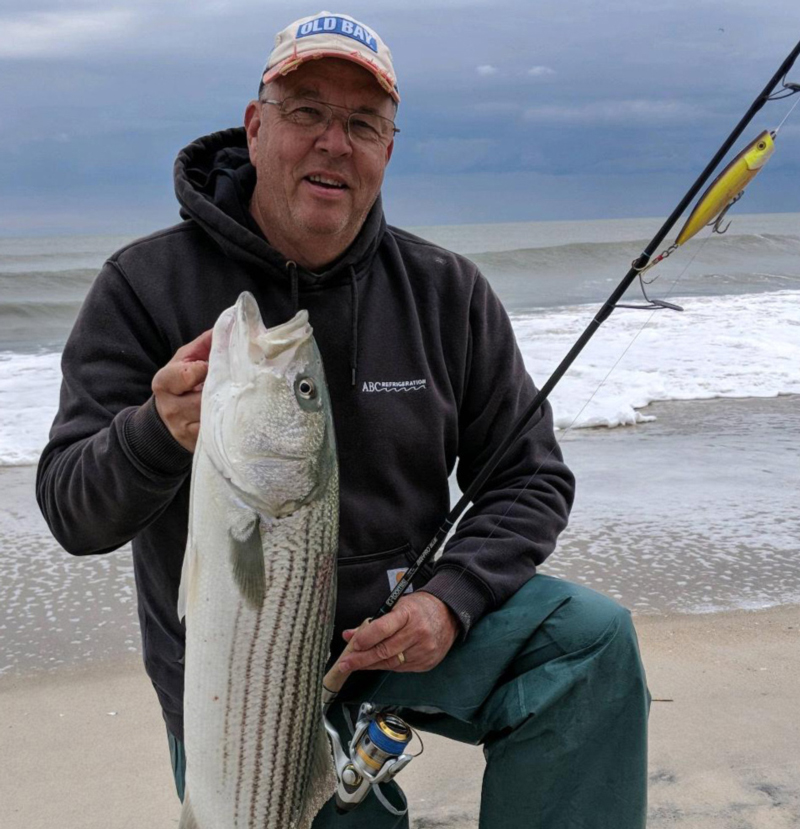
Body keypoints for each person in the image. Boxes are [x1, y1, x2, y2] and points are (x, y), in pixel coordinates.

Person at [36, 11, 649, 828]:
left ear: (387, 151)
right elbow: (72, 510)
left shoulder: (446, 291)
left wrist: (449, 600)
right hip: (241, 680)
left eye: (363, 123)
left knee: (589, 644)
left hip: (404, 631)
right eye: (307, 112)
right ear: (255, 129)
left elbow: (529, 477)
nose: (335, 141)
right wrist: (156, 431)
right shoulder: (144, 286)